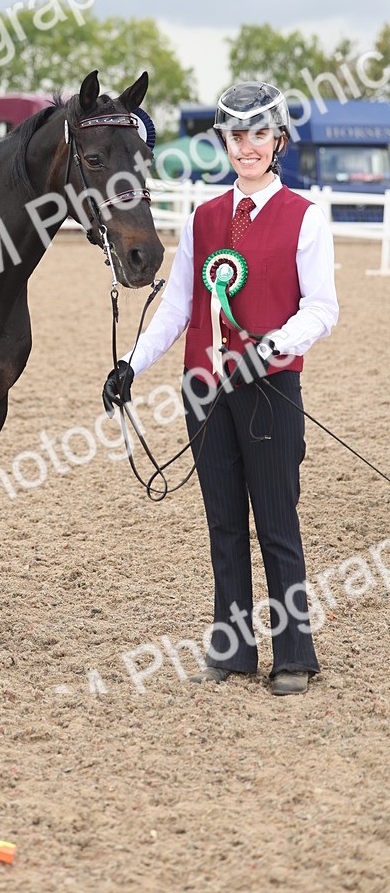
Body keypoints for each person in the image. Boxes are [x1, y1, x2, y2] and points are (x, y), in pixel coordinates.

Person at [103, 83, 339, 696]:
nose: (247, 146)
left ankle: (294, 654)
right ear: (225, 144)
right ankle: (233, 648)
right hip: (204, 391)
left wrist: (268, 349)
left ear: (278, 140)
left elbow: (322, 309)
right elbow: (179, 306)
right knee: (224, 524)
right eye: (236, 136)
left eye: (259, 134)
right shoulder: (204, 218)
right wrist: (132, 361)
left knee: (277, 524)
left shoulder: (305, 217)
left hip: (270, 390)